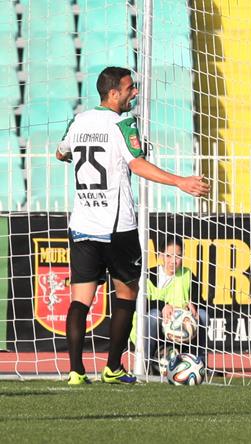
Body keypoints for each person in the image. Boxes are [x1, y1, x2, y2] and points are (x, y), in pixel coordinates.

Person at [56, 66, 210, 385]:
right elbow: (137, 164)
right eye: (130, 88)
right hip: (117, 226)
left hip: (83, 224)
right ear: (114, 93)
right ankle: (113, 367)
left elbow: (61, 153)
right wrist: (180, 181)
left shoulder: (78, 120)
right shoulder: (123, 124)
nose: (134, 92)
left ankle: (75, 371)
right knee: (126, 294)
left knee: (80, 300)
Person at [131, 236, 207, 374]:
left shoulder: (188, 275)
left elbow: (200, 301)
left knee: (203, 315)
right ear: (160, 255)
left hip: (182, 326)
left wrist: (193, 305)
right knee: (153, 315)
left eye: (178, 256)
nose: (173, 261)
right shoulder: (149, 275)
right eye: (168, 256)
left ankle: (200, 363)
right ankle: (145, 364)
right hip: (157, 327)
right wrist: (163, 306)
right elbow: (142, 303)